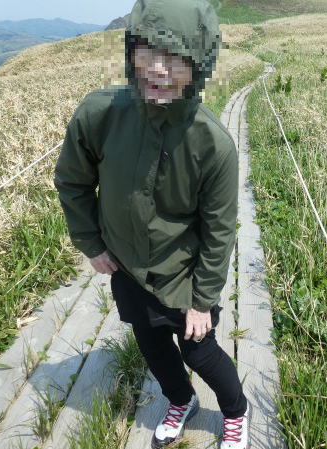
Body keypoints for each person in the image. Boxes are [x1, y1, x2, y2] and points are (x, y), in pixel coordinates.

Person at [53, 0, 250, 448]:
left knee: (200, 351)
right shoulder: (100, 114)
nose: (159, 69)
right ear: (131, 50)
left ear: (199, 65)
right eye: (149, 51)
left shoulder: (213, 145)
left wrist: (202, 301)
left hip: (183, 273)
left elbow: (219, 231)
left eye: (176, 57)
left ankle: (236, 411)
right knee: (153, 346)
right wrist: (90, 243)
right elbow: (72, 180)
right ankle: (180, 400)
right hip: (127, 267)